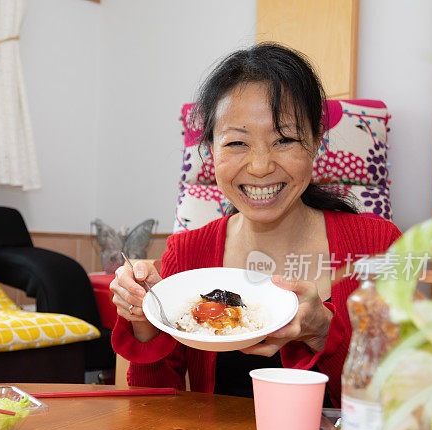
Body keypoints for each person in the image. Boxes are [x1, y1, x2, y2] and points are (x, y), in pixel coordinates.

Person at [110, 43, 401, 406]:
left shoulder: (377, 246)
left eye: (284, 139)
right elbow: (155, 409)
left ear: (315, 143)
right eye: (236, 143)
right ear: (210, 152)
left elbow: (396, 403)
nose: (261, 166)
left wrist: (324, 333)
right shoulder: (188, 253)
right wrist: (146, 320)